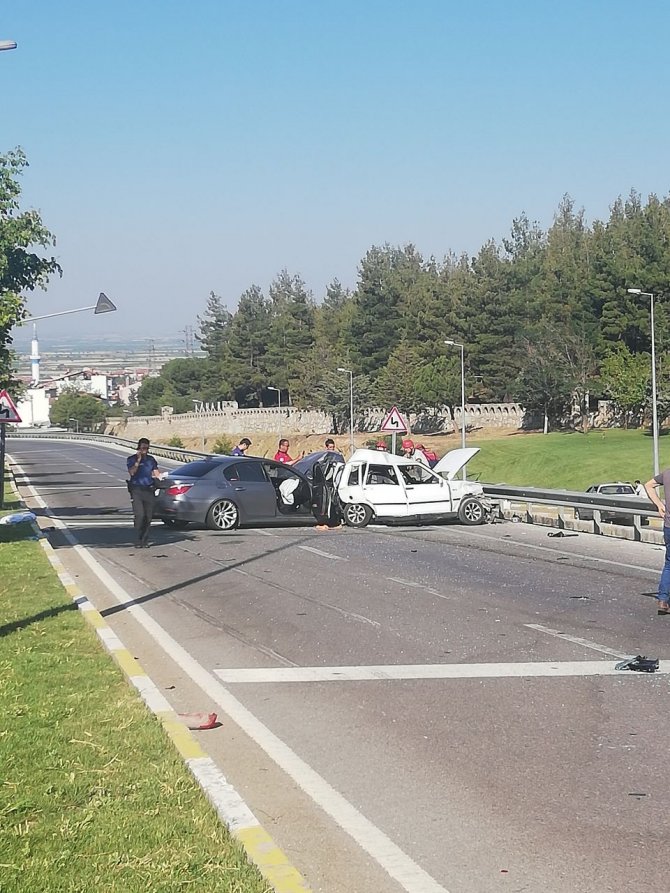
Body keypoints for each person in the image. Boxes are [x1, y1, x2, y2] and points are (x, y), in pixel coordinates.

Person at [126, 438, 161, 548]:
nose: (144, 450)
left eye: (146, 448)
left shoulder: (151, 460)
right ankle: (138, 538)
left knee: (148, 517)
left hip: (149, 490)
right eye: (142, 448)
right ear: (139, 447)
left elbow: (156, 473)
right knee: (140, 515)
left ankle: (144, 540)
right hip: (136, 489)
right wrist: (138, 460)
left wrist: (163, 477)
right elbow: (132, 472)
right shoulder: (131, 459)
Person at [645, 470, 670, 614]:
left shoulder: (667, 474)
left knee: (669, 564)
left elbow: (648, 485)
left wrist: (660, 505)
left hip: (668, 526)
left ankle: (663, 599)